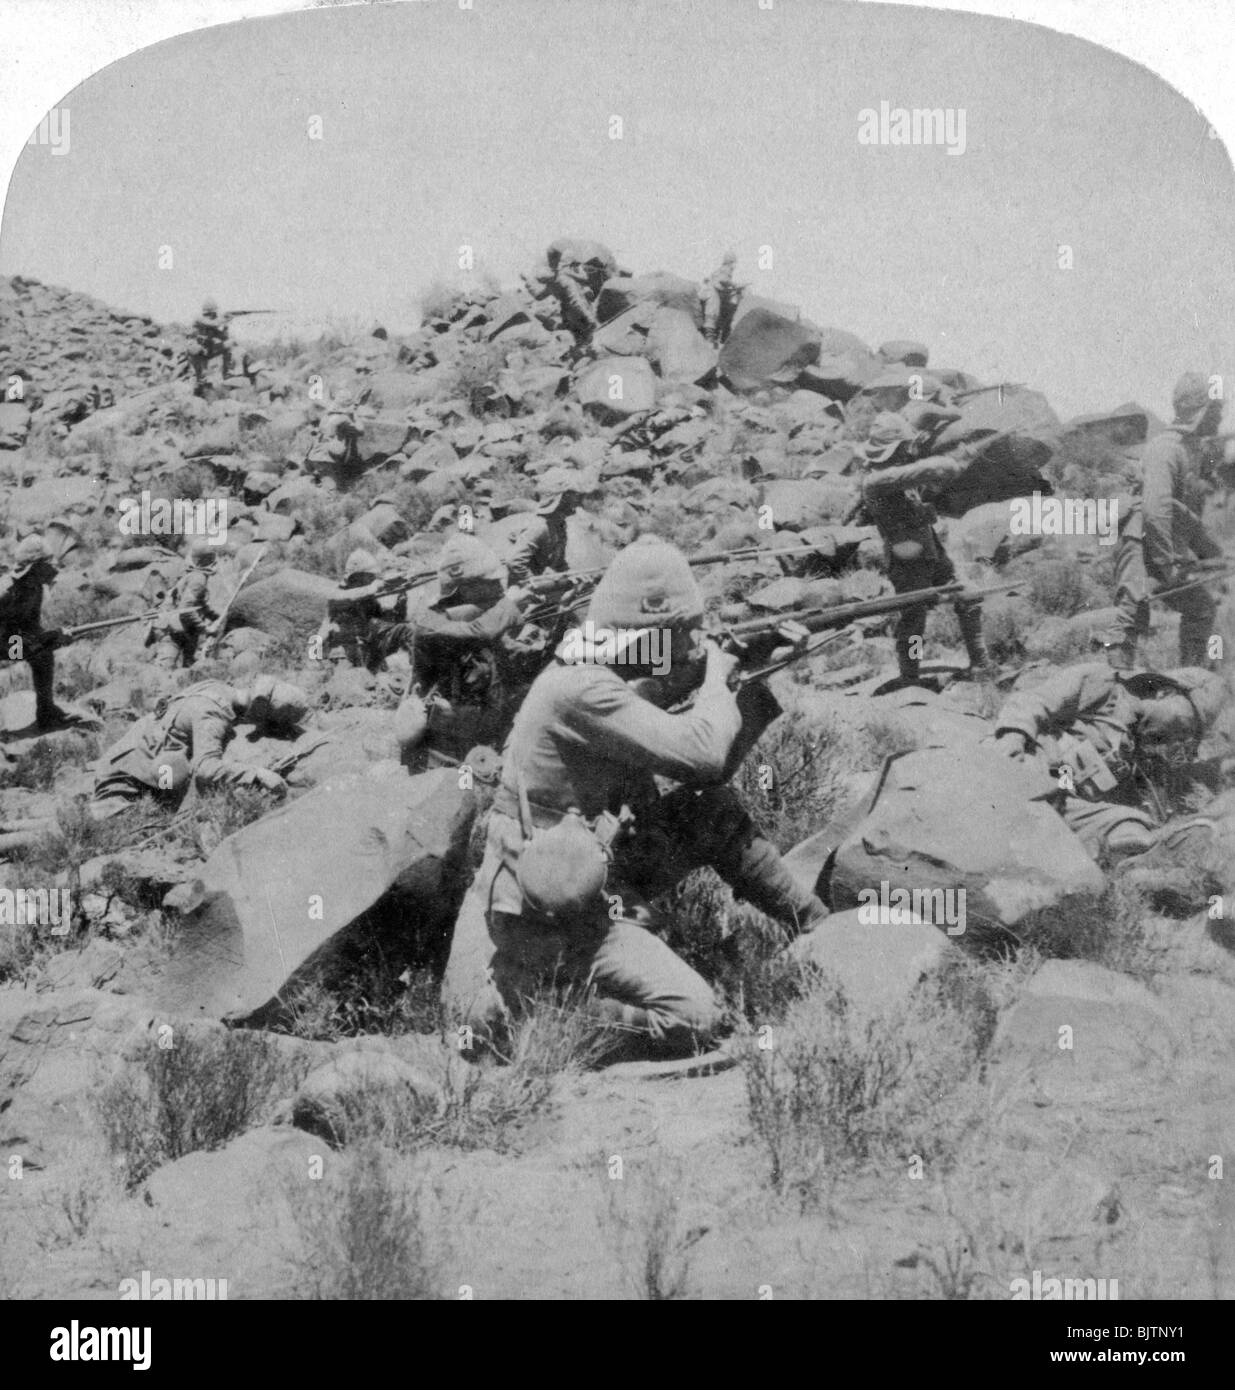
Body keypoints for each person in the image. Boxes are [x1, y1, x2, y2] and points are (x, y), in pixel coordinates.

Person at [441, 536, 829, 1061]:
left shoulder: (597, 675)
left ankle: (819, 929)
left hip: (587, 876)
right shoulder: (581, 691)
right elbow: (705, 754)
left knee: (707, 810)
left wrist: (753, 677)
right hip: (547, 907)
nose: (692, 647)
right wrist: (717, 674)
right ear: (647, 636)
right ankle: (538, 1010)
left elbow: (708, 770)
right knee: (696, 1018)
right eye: (681, 636)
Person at [992, 662, 1227, 867]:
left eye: (1189, 736)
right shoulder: (1104, 685)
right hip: (1027, 768)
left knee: (1132, 828)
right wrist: (1013, 738)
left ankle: (1136, 862)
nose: (1179, 738)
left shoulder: (1145, 757)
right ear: (1165, 692)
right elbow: (1035, 701)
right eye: (1186, 725)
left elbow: (1149, 802)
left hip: (1064, 807)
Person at [1102, 373, 1227, 670]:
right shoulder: (1166, 448)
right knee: (1131, 618)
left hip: (1163, 549)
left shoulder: (1191, 450)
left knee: (1200, 608)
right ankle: (1113, 696)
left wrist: (1215, 554)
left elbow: (1183, 515)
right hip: (1141, 544)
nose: (1221, 415)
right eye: (1216, 408)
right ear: (1200, 410)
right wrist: (1167, 562)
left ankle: (1188, 684)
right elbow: (1155, 509)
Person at [857, 411, 991, 682]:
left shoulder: (899, 474)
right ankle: (910, 676)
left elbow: (928, 478)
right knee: (914, 623)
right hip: (907, 563)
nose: (909, 449)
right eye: (904, 446)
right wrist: (954, 459)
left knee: (969, 596)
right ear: (894, 449)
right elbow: (935, 469)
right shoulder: (877, 480)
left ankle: (981, 663)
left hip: (931, 551)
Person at [394, 534, 532, 770]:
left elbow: (508, 653)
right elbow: (479, 632)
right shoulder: (430, 622)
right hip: (441, 750)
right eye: (487, 584)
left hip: (477, 736)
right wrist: (510, 606)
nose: (497, 590)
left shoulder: (479, 618)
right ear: (459, 588)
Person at [91, 675, 309, 817]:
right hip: (124, 779)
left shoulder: (215, 686)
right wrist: (257, 774)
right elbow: (205, 768)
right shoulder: (212, 717)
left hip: (126, 753)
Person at [0, 535, 75, 730]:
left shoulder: (35, 589)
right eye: (47, 564)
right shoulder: (6, 591)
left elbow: (32, 628)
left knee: (43, 653)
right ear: (34, 567)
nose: (52, 569)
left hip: (11, 642)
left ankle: (46, 711)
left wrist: (53, 638)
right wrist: (36, 642)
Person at [482, 467, 595, 585]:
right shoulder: (540, 526)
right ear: (560, 499)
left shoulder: (560, 526)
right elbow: (515, 561)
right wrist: (538, 583)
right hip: (510, 584)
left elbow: (558, 564)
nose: (577, 501)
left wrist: (573, 574)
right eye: (573, 495)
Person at [148, 538, 221, 669]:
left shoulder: (192, 574)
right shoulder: (198, 579)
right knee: (163, 669)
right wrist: (205, 628)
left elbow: (198, 604)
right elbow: (185, 609)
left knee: (187, 666)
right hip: (174, 630)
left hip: (176, 627)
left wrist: (213, 615)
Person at [304, 390, 365, 487]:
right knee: (330, 489)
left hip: (316, 455)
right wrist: (355, 415)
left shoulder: (326, 417)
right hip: (326, 458)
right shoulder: (343, 419)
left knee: (325, 486)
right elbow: (360, 431)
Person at [699, 250, 744, 346]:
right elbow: (722, 281)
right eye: (734, 263)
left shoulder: (723, 270)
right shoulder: (725, 269)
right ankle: (710, 338)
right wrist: (736, 285)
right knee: (712, 313)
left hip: (713, 292)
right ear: (730, 262)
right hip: (712, 294)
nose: (735, 266)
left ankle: (714, 337)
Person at [187, 299, 231, 391]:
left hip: (207, 350)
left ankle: (226, 373)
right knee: (199, 372)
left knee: (229, 345)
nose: (215, 315)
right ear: (211, 312)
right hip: (195, 349)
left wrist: (226, 326)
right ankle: (198, 381)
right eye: (214, 313)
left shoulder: (212, 327)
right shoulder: (199, 319)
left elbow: (224, 337)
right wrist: (224, 318)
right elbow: (213, 323)